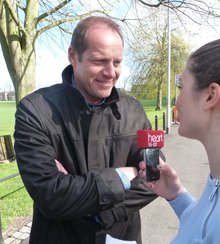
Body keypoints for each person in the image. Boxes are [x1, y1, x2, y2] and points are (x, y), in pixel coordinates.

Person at [14, 16, 164, 244]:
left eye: (117, 62)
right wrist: (124, 174)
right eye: (100, 61)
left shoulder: (134, 110)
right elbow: (51, 196)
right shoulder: (34, 111)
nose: (111, 72)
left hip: (122, 237)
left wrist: (101, 213)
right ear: (73, 56)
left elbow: (155, 175)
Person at [139, 36, 220, 243]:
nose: (176, 101)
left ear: (210, 95)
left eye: (180, 86)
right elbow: (206, 229)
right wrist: (177, 195)